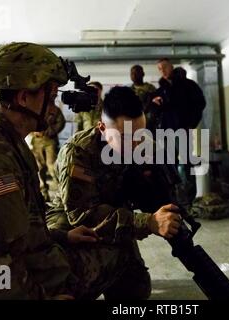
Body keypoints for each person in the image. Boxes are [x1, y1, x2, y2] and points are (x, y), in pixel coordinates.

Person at [0, 42, 128, 300]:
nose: (53, 107)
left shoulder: (6, 143)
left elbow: (14, 229)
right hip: (1, 286)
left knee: (99, 243)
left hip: (16, 264)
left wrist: (62, 236)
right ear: (24, 97)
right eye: (49, 98)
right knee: (115, 253)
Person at [46, 86, 181, 300]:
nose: (136, 144)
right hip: (71, 217)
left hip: (116, 211)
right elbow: (83, 214)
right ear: (102, 129)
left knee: (135, 289)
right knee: (77, 276)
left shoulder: (145, 146)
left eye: (141, 134)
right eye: (126, 138)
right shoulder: (79, 152)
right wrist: (146, 222)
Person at [151, 59, 207, 208]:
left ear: (171, 67)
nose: (162, 71)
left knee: (185, 165)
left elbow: (200, 104)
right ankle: (176, 201)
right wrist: (154, 104)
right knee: (170, 166)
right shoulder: (160, 90)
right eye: (159, 69)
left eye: (164, 67)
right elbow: (154, 112)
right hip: (165, 133)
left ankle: (188, 200)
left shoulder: (187, 86)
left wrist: (190, 124)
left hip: (182, 130)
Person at [30, 101, 66, 201]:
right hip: (36, 141)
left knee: (52, 166)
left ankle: (61, 192)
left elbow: (61, 122)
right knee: (39, 168)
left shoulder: (54, 109)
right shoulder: (34, 107)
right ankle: (44, 195)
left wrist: (51, 131)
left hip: (50, 141)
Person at [129, 65, 156, 131]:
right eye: (132, 73)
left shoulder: (150, 88)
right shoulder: (128, 91)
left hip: (148, 122)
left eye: (136, 73)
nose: (134, 75)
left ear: (143, 74)